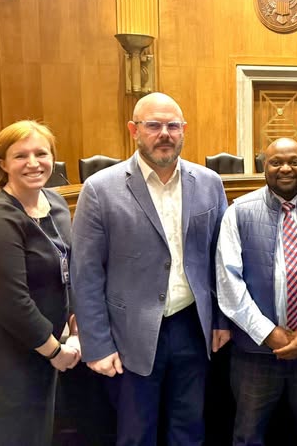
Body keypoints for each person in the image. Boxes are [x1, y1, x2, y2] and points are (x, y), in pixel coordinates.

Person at [71, 92, 229, 446]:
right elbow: (86, 274)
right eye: (154, 125)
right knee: (136, 434)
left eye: (173, 126)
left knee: (189, 430)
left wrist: (220, 319)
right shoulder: (100, 189)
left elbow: (220, 260)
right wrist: (97, 345)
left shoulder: (209, 183)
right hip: (130, 334)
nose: (165, 134)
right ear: (134, 130)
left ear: (184, 129)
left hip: (193, 327)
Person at [216, 138, 297, 446]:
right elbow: (228, 282)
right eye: (276, 162)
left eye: (294, 161)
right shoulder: (238, 212)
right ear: (264, 166)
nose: (286, 168)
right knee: (248, 436)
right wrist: (268, 332)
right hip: (255, 352)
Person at [0, 120, 81, 446]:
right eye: (21, 156)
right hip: (1, 355)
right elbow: (11, 302)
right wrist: (55, 351)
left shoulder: (55, 203)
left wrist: (75, 323)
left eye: (41, 153)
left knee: (40, 432)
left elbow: (68, 268)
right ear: (2, 164)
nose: (33, 163)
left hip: (41, 346)